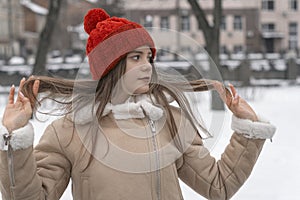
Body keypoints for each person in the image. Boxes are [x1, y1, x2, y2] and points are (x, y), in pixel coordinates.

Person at [0, 8, 276, 200]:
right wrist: (14, 139)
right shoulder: (69, 130)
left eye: (149, 58)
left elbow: (219, 186)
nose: (147, 66)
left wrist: (247, 129)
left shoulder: (170, 121)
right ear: (110, 66)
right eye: (135, 58)